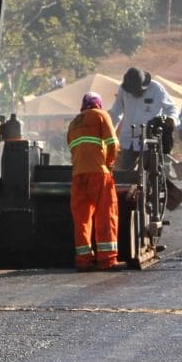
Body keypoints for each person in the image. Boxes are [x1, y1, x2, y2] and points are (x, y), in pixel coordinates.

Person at [66, 92, 121, 270]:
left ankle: (83, 260)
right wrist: (109, 164)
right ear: (98, 104)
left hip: (78, 176)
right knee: (105, 215)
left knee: (82, 219)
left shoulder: (73, 123)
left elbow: (73, 150)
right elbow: (113, 143)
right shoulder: (101, 115)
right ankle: (107, 260)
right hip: (98, 174)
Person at [111, 66, 177, 173]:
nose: (134, 93)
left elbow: (171, 108)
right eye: (132, 91)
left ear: (144, 85)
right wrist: (110, 133)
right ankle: (129, 189)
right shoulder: (123, 90)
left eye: (137, 90)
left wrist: (171, 119)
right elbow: (116, 113)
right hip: (129, 138)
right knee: (125, 173)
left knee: (151, 171)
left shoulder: (156, 88)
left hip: (150, 138)